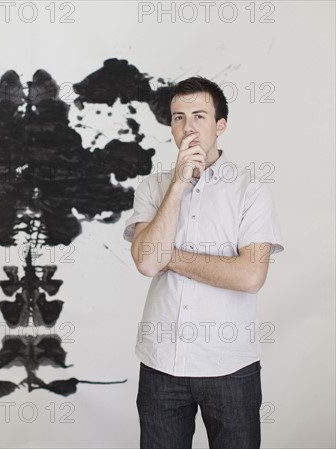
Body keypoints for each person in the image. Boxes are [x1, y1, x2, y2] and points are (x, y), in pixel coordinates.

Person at [123, 76, 284, 449]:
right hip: (161, 365)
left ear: (220, 125)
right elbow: (148, 264)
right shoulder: (153, 187)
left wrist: (170, 256)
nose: (188, 127)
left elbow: (250, 275)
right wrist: (178, 186)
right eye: (179, 117)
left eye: (199, 115)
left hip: (230, 368)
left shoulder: (251, 192)